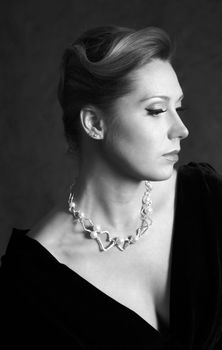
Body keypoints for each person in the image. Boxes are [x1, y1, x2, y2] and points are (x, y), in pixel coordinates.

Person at [1, 25, 222, 350]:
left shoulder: (205, 198)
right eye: (157, 110)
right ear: (94, 123)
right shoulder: (30, 285)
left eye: (179, 108)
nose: (181, 129)